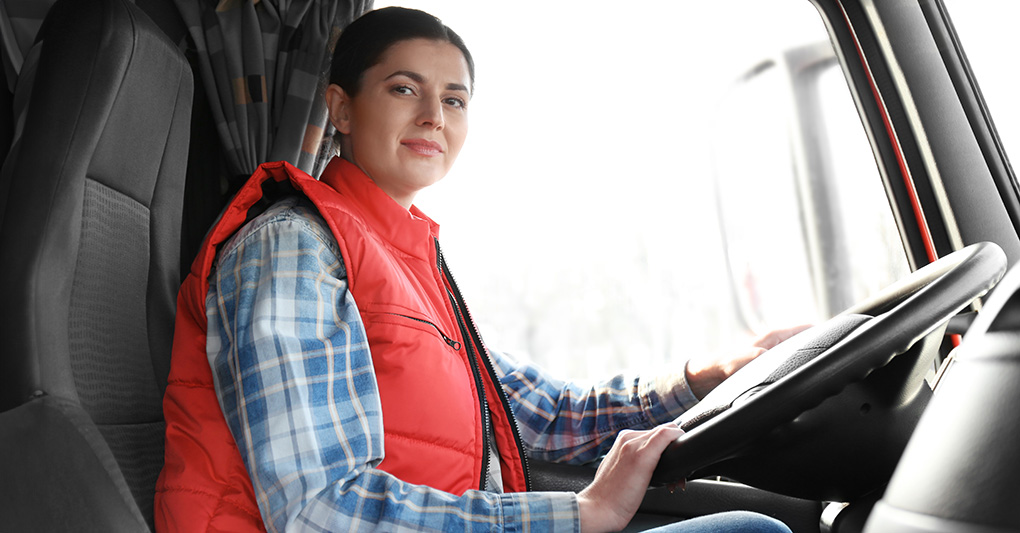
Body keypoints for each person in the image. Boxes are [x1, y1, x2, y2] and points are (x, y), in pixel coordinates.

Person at [155, 7, 804, 532]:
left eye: (455, 99)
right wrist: (579, 513)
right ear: (342, 109)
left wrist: (712, 375)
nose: (434, 116)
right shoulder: (291, 248)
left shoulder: (409, 263)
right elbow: (319, 510)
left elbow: (545, 414)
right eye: (404, 88)